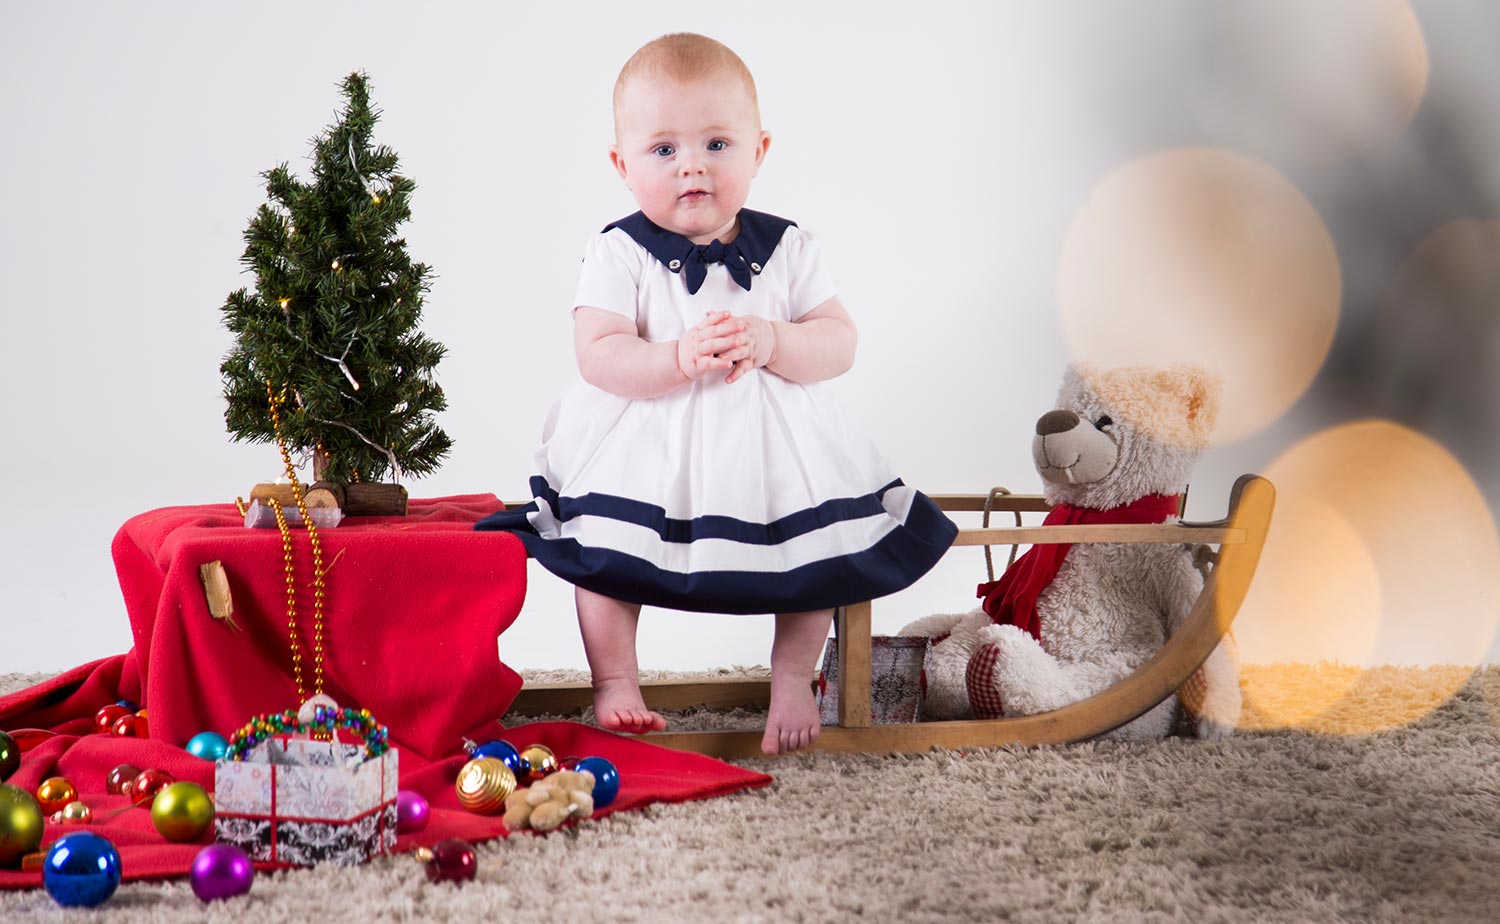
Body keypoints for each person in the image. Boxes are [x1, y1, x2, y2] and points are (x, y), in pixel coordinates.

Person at [478, 32, 955, 754]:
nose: (692, 164)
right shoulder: (618, 251)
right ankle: (615, 680)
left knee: (819, 551)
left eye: (717, 144)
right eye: (663, 149)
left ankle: (795, 674)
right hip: (648, 436)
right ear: (622, 164)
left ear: (760, 151)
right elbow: (598, 354)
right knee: (603, 550)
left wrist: (774, 341)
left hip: (770, 443)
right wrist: (673, 356)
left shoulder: (790, 247)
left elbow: (839, 341)